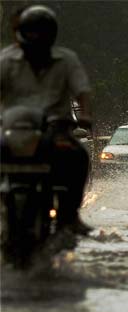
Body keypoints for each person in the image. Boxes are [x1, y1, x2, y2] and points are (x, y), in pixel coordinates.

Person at [0, 5, 93, 235]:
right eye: (31, 31)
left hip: (54, 129)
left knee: (78, 156)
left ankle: (69, 216)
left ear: (51, 33)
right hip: (11, 129)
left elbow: (82, 90)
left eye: (40, 31)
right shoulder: (6, 60)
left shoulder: (67, 60)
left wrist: (85, 114)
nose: (35, 37)